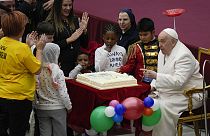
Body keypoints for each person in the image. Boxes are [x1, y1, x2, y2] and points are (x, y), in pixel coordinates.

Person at [143, 28, 203, 136]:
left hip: (190, 94)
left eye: (163, 41)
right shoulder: (163, 51)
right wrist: (152, 86)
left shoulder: (184, 55)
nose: (159, 45)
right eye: (159, 41)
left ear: (173, 42)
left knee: (162, 106)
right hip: (172, 91)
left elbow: (179, 81)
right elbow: (161, 73)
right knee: (148, 101)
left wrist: (156, 76)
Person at [0, 11, 46, 136]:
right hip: (19, 98)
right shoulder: (22, 49)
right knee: (18, 131)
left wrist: (27, 45)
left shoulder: (2, 42)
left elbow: (15, 57)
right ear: (20, 29)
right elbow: (37, 68)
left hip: (2, 94)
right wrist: (40, 49)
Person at [34, 43, 72, 136]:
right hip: (58, 107)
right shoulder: (58, 71)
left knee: (44, 133)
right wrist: (69, 106)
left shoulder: (36, 70)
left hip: (41, 107)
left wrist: (35, 105)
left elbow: (34, 91)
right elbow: (63, 93)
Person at [46, 0, 89, 76]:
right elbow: (49, 47)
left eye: (70, 5)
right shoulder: (50, 23)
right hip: (61, 65)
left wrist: (84, 30)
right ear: (58, 6)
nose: (68, 8)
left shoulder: (75, 19)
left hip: (77, 64)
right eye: (65, 5)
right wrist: (68, 40)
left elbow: (85, 44)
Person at [117, 18, 159, 82]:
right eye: (140, 35)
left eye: (145, 35)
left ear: (153, 32)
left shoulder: (161, 45)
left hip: (158, 81)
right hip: (141, 81)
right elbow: (130, 65)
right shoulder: (135, 47)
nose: (142, 37)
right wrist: (121, 69)